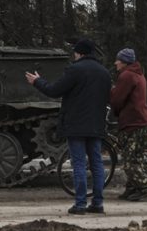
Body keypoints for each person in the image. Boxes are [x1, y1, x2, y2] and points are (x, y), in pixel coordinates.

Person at [25, 39, 111, 215]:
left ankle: (80, 204)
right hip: (96, 124)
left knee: (79, 163)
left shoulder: (75, 70)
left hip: (76, 124)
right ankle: (98, 202)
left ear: (79, 53)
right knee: (96, 164)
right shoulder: (104, 73)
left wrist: (38, 82)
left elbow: (54, 90)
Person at [110, 48, 147, 201]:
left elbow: (117, 99)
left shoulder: (127, 75)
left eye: (118, 60)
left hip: (133, 121)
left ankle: (144, 186)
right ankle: (132, 187)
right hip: (141, 119)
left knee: (130, 159)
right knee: (137, 155)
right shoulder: (138, 73)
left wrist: (110, 97)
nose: (115, 63)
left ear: (124, 62)